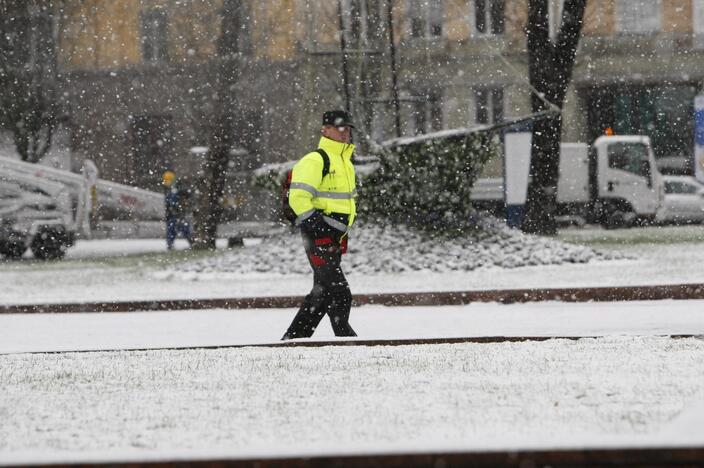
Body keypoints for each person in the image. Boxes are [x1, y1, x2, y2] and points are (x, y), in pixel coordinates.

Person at [281, 110, 359, 340]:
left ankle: (294, 339)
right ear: (325, 130)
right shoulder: (315, 160)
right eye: (340, 128)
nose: (345, 133)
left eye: (348, 128)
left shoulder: (345, 163)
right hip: (318, 237)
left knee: (322, 293)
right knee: (340, 291)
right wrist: (318, 226)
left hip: (334, 238)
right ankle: (347, 339)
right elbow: (298, 198)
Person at [162, 170, 192, 250]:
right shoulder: (171, 190)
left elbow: (182, 198)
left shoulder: (176, 190)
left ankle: (191, 242)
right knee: (174, 231)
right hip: (174, 215)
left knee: (181, 230)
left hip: (177, 214)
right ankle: (170, 246)